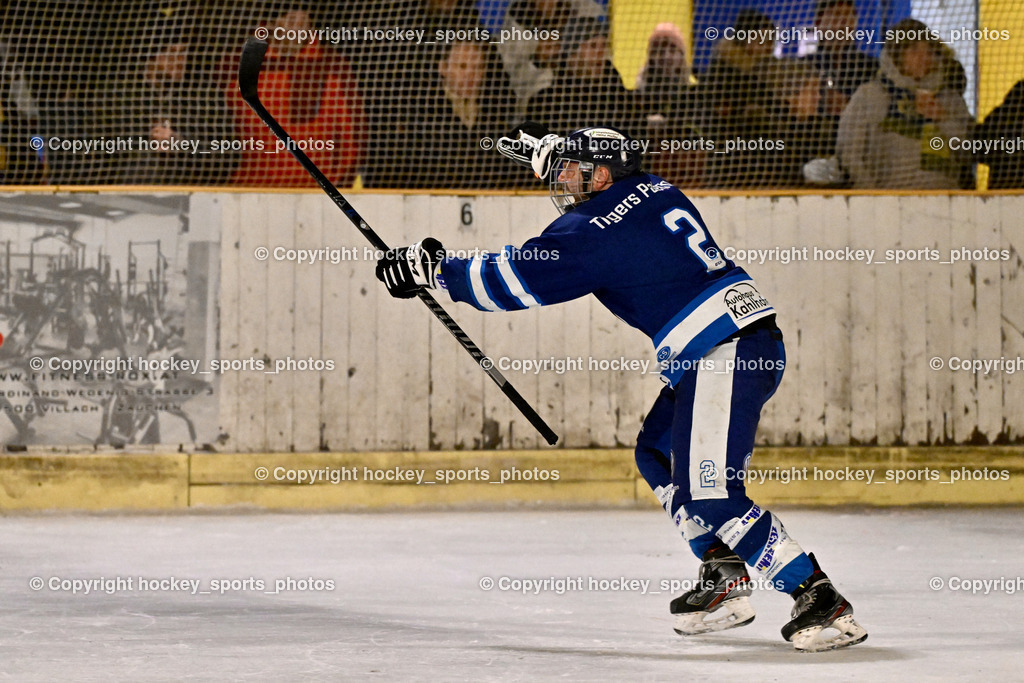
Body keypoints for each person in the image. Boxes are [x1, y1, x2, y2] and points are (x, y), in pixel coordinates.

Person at [374, 123, 869, 652]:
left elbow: (518, 279)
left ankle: (818, 597)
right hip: (729, 345)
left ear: (601, 174)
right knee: (655, 454)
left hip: (724, 354)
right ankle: (723, 574)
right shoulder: (654, 188)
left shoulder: (592, 232)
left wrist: (435, 270)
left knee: (712, 491)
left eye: (570, 171)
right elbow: (602, 205)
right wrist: (547, 150)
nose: (561, 182)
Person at [836, 18, 971, 189]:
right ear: (896, 54)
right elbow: (849, 154)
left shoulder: (949, 100)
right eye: (914, 50)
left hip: (945, 203)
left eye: (928, 51)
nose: (924, 58)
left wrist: (943, 119)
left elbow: (970, 151)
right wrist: (872, 198)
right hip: (886, 205)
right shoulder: (870, 96)